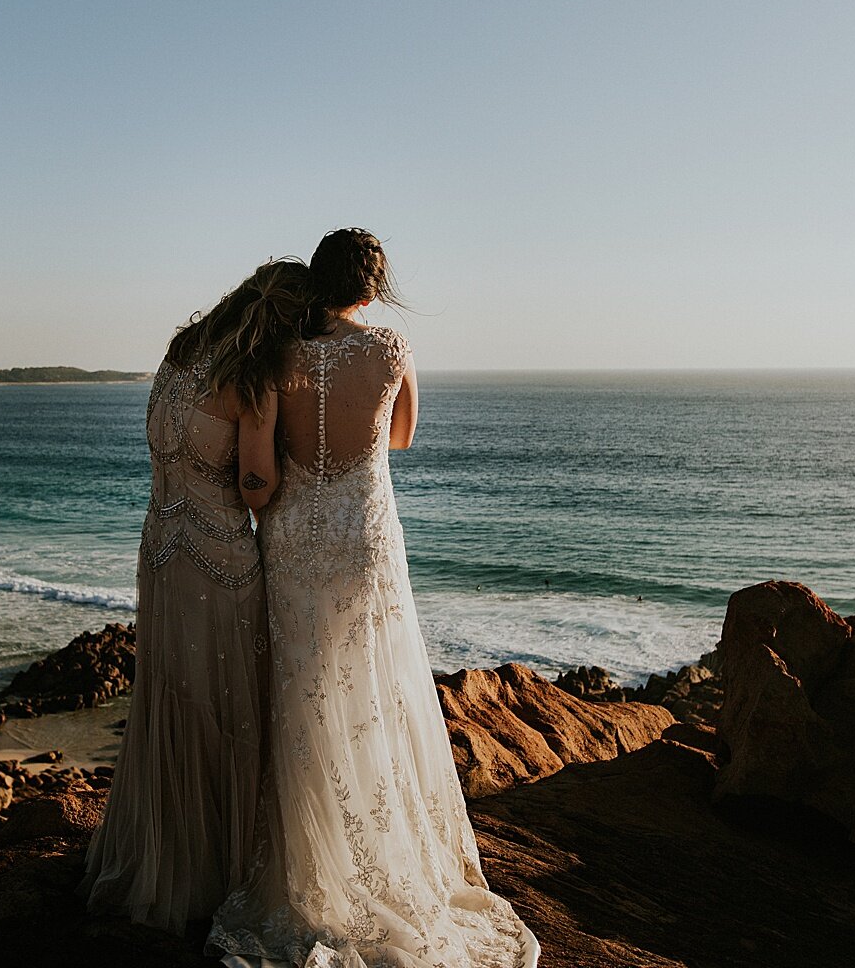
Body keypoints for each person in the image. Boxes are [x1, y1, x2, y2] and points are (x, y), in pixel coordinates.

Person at [210, 229, 539, 968]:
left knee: (302, 690)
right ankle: (379, 853)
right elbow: (403, 437)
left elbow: (264, 465)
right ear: (374, 288)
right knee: (371, 686)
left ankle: (308, 865)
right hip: (363, 534)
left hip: (294, 535)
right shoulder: (391, 350)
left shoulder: (277, 356)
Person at [81, 258, 312, 933]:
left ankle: (163, 857)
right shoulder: (254, 380)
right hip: (221, 560)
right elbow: (254, 484)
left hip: (158, 547)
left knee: (171, 701)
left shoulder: (179, 355)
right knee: (228, 711)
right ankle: (217, 872)